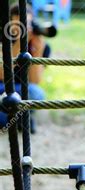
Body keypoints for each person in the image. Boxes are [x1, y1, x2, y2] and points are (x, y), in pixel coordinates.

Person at [0, 3, 48, 133]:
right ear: (9, 23)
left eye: (26, 23)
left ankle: (17, 119)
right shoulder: (2, 38)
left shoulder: (40, 44)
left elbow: (35, 81)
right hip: (2, 87)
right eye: (19, 24)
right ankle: (21, 119)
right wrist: (19, 44)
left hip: (23, 89)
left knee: (37, 93)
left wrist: (37, 52)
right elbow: (2, 75)